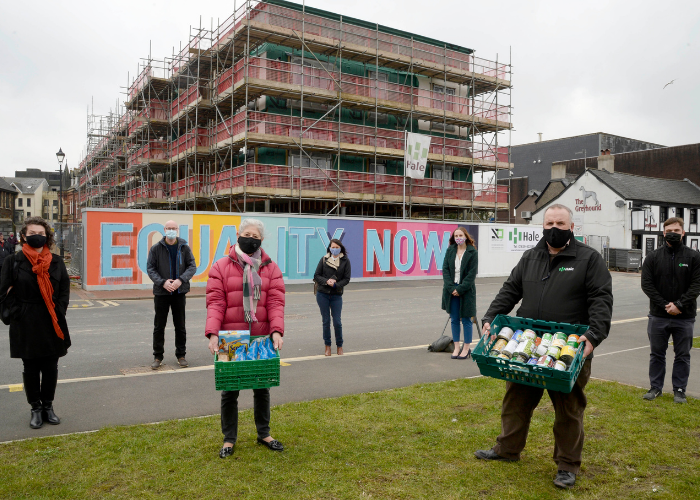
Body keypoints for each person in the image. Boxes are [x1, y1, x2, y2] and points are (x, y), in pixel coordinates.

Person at [475, 204, 613, 490]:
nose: (554, 228)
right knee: (516, 399)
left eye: (561, 224)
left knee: (569, 407)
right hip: (529, 341)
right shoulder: (531, 256)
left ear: (571, 227)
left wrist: (594, 335)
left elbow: (601, 299)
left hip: (570, 346)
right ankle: (507, 449)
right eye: (549, 223)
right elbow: (510, 290)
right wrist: (490, 318)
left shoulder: (589, 259)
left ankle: (567, 465)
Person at [205, 218, 285, 458]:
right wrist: (213, 334)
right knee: (230, 389)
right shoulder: (221, 266)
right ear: (238, 234)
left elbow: (275, 302)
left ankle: (264, 433)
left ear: (261, 240)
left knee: (262, 386)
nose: (251, 238)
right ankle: (229, 439)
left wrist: (277, 330)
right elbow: (215, 302)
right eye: (246, 233)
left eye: (256, 236)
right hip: (231, 337)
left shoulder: (270, 267)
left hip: (261, 336)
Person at [0, 217, 70, 429]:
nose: (36, 236)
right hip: (25, 321)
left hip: (51, 320)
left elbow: (64, 291)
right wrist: (16, 312)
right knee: (30, 367)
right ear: (23, 236)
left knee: (51, 366)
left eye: (40, 233)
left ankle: (48, 406)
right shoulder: (13, 261)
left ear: (46, 236)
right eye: (31, 233)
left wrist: (58, 311)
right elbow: (3, 292)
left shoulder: (56, 262)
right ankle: (35, 409)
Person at [641, 217, 700, 404]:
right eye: (668, 231)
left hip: (685, 317)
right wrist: (666, 305)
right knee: (657, 354)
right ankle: (655, 388)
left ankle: (679, 390)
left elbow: (697, 285)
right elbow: (647, 285)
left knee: (682, 355)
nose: (672, 234)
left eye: (676, 230)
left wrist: (679, 305)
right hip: (658, 316)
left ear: (683, 233)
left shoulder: (694, 257)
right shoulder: (653, 257)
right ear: (663, 233)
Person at [146, 220, 197, 369]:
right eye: (168, 228)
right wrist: (162, 282)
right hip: (162, 292)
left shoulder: (184, 248)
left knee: (180, 325)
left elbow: (192, 266)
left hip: (179, 292)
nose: (171, 230)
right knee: (159, 326)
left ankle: (181, 355)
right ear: (164, 229)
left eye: (173, 228)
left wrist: (181, 280)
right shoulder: (156, 249)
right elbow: (150, 268)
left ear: (177, 230)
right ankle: (158, 356)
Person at [441, 227, 478, 359]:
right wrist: (451, 288)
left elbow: (471, 274)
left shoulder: (472, 252)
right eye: (456, 235)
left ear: (466, 236)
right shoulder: (450, 250)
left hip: (466, 291)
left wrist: (460, 289)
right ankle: (456, 347)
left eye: (460, 235)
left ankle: (466, 348)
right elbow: (445, 270)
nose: (458, 238)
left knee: (467, 319)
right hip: (451, 291)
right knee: (454, 319)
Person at [314, 238, 351, 356]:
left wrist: (336, 285)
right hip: (322, 294)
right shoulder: (324, 259)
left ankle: (339, 346)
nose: (334, 249)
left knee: (337, 322)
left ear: (340, 248)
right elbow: (316, 275)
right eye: (332, 247)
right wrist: (327, 281)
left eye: (336, 247)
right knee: (326, 321)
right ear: (329, 248)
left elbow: (346, 278)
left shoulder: (345, 261)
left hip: (336, 294)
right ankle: (327, 346)